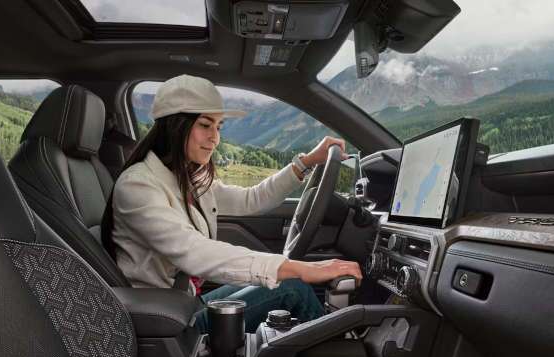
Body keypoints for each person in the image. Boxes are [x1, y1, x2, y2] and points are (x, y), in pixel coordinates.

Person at [103, 74, 362, 332]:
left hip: (187, 303)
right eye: (205, 125)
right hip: (168, 322)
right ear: (175, 125)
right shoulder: (138, 186)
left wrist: (305, 162)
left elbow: (252, 199)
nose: (215, 138)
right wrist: (299, 269)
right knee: (293, 288)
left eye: (219, 127)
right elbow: (195, 252)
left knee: (284, 283)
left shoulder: (188, 179)